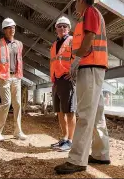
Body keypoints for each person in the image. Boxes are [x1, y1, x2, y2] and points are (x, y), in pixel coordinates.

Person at [55, 0, 111, 174]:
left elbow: (89, 37)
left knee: (86, 114)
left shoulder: (90, 12)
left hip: (90, 67)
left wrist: (77, 60)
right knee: (96, 114)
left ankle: (77, 159)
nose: (75, 5)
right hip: (94, 68)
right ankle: (101, 153)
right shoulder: (90, 15)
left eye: (76, 1)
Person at [0, 18, 27, 142]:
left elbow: (19, 60)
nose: (12, 30)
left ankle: (18, 132)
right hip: (4, 77)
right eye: (9, 28)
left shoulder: (19, 44)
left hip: (16, 77)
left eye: (13, 27)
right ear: (4, 30)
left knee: (18, 104)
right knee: (6, 103)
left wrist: (18, 75)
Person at [49, 16, 77, 152]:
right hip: (56, 80)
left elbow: (78, 57)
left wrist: (73, 73)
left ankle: (71, 141)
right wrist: (52, 78)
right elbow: (53, 62)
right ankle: (64, 138)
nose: (62, 28)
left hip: (67, 80)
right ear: (56, 29)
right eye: (59, 26)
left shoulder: (72, 41)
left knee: (69, 111)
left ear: (69, 28)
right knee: (60, 112)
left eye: (65, 26)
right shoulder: (54, 44)